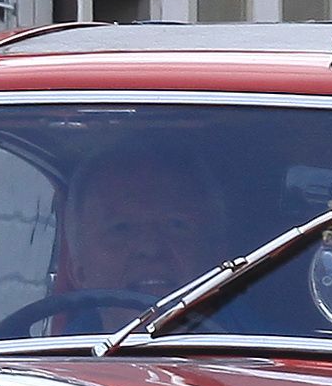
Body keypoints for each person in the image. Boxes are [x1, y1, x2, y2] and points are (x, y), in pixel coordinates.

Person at [17, 138, 233, 336]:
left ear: (218, 258)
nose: (150, 247)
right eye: (121, 228)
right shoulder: (50, 360)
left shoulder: (262, 360)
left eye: (175, 225)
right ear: (78, 271)